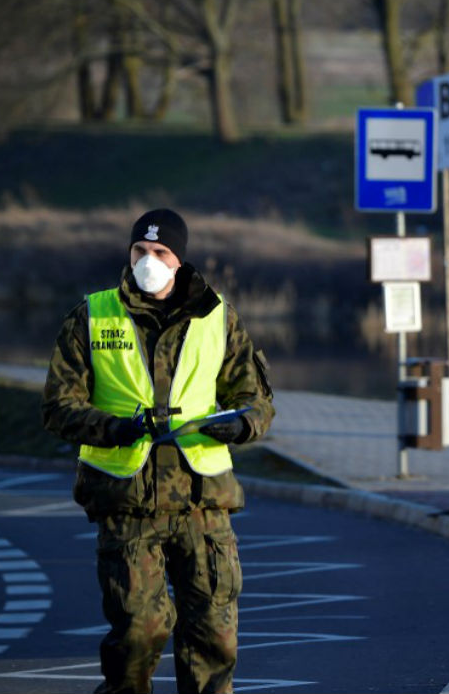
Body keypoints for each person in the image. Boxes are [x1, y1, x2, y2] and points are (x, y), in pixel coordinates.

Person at [42, 208, 275, 694]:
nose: (148, 261)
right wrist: (115, 427)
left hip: (203, 503)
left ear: (179, 260)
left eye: (160, 252)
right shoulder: (93, 314)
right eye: (140, 251)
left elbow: (255, 398)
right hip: (128, 503)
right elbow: (59, 408)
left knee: (214, 639)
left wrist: (241, 423)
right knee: (137, 635)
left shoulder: (218, 316)